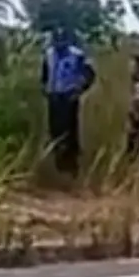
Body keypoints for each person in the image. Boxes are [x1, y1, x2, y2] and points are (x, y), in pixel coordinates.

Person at [41, 28, 96, 174]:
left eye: (62, 42)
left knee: (70, 131)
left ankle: (71, 166)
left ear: (67, 41)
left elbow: (90, 74)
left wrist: (80, 90)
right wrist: (44, 88)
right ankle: (58, 165)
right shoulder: (49, 54)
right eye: (57, 41)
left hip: (69, 96)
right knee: (55, 130)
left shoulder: (77, 55)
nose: (59, 45)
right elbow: (45, 73)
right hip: (54, 96)